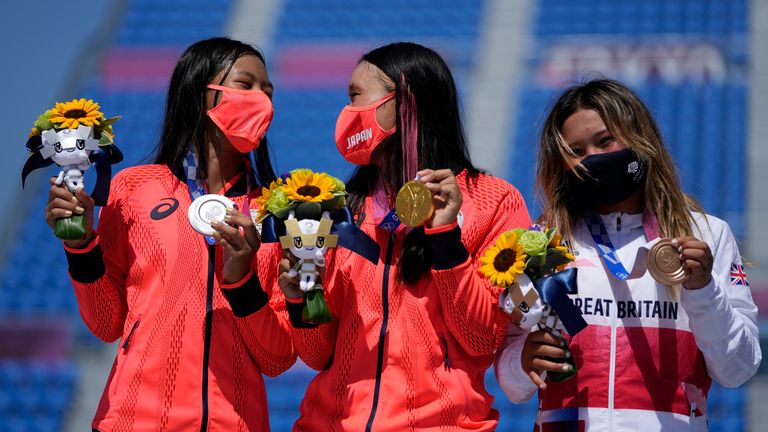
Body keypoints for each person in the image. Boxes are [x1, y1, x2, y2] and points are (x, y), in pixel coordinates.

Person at [45, 37, 295, 431]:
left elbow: (277, 358)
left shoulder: (279, 209)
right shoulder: (133, 189)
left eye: (268, 91)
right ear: (200, 95)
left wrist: (243, 281)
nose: (262, 101)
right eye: (245, 86)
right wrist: (79, 246)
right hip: (133, 419)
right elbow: (106, 322)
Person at [278, 42, 531, 431]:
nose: (347, 113)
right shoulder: (340, 209)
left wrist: (446, 238)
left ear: (403, 102)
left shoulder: (492, 200)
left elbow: (482, 339)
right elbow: (317, 354)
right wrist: (299, 299)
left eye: (356, 97)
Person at [494, 79, 761, 431]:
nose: (594, 158)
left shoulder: (706, 235)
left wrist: (703, 289)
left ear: (640, 138)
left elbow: (737, 369)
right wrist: (522, 362)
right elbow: (513, 387)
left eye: (605, 141)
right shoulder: (542, 243)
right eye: (576, 151)